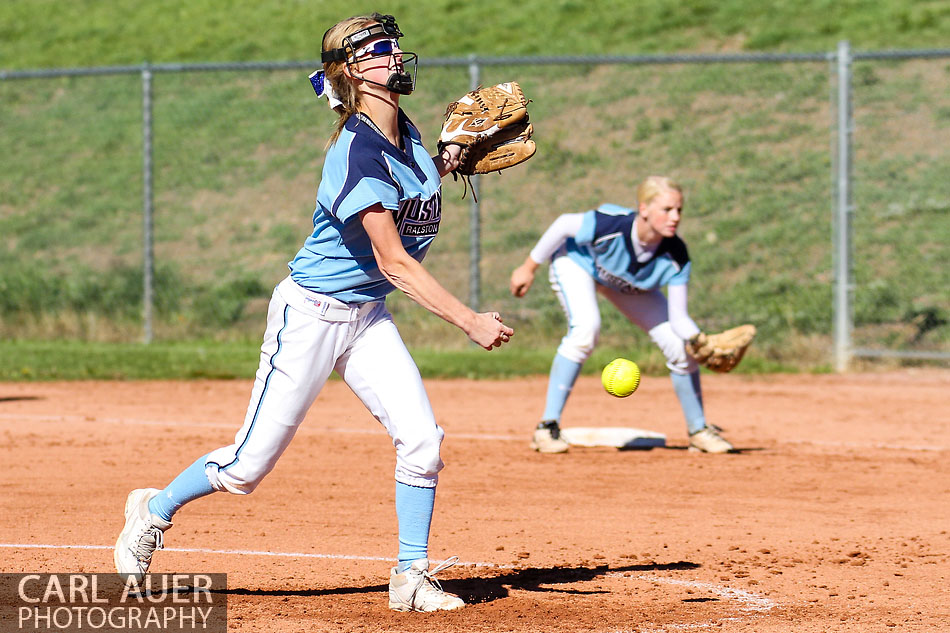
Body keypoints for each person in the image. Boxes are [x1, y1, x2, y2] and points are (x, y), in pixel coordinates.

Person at [113, 13, 513, 613]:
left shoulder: (405, 130)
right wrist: (470, 321)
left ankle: (410, 575)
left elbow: (409, 190)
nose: (394, 56)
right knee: (247, 469)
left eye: (393, 46)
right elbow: (395, 262)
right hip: (310, 316)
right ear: (351, 71)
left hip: (366, 317)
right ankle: (154, 508)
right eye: (379, 50)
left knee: (423, 442)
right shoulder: (354, 153)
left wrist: (449, 157)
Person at [509, 176, 733, 454]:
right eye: (667, 209)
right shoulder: (612, 225)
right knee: (586, 330)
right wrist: (529, 266)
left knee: (679, 347)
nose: (675, 217)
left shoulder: (676, 254)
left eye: (679, 210)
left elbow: (678, 318)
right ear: (644, 209)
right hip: (579, 263)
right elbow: (565, 223)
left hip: (626, 284)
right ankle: (546, 427)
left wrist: (699, 340)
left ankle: (699, 430)